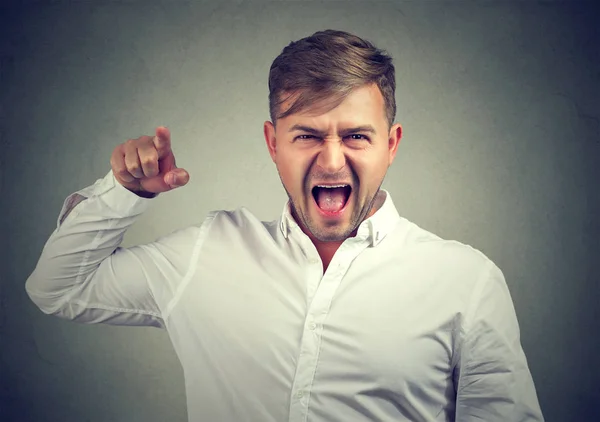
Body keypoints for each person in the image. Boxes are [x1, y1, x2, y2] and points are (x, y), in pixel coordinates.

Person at [25, 29, 544, 421]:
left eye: (357, 136)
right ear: (273, 145)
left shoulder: (466, 282)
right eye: (307, 135)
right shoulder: (208, 254)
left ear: (392, 144)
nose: (333, 161)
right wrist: (125, 192)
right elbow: (58, 288)